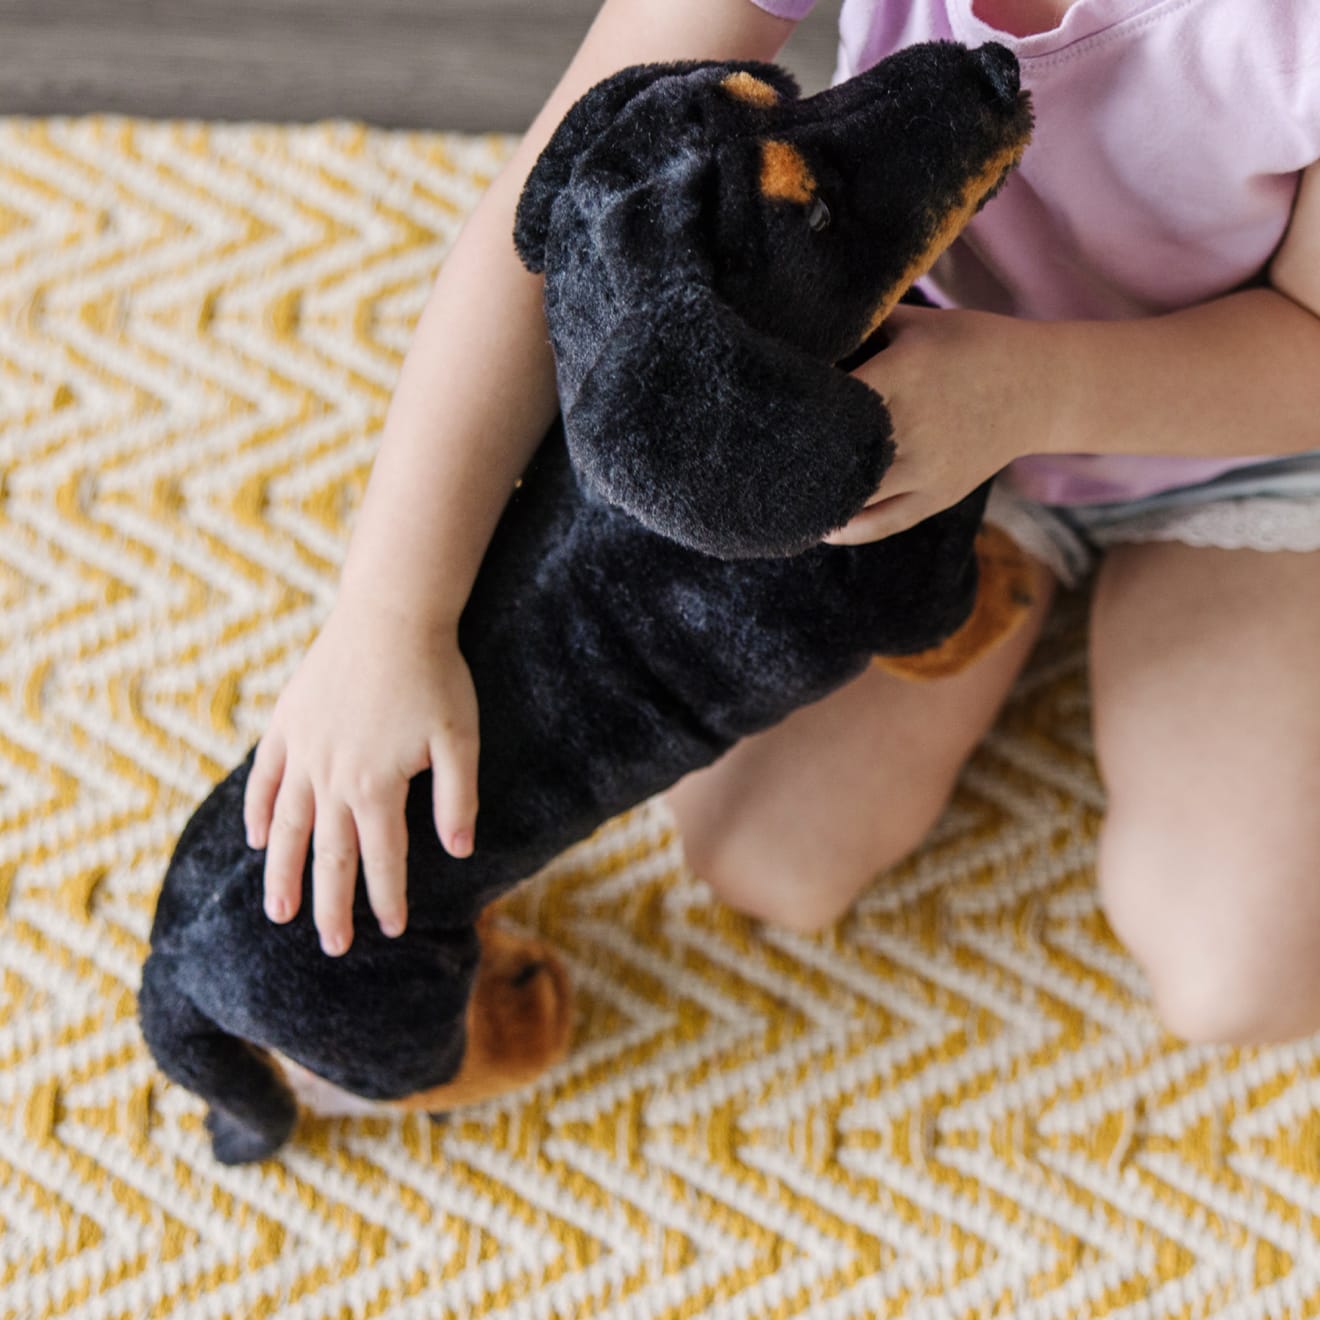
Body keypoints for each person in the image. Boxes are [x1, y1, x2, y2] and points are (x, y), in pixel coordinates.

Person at [243, 0, 1320, 1046]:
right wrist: (389, 615)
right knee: (761, 857)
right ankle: (987, 570)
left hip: (1234, 432)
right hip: (894, 398)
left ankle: (1023, 570)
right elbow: (556, 194)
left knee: (1234, 977)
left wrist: (1031, 395)